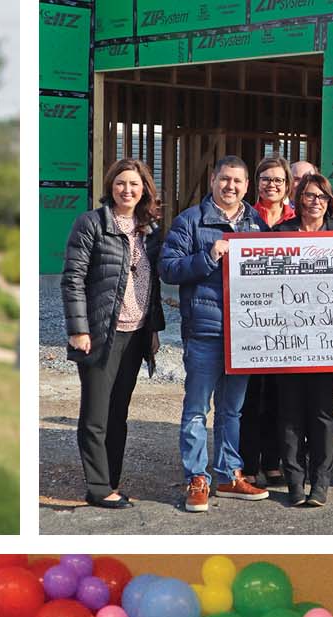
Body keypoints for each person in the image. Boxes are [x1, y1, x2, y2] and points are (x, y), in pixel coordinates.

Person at [159, 155, 268, 512]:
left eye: (237, 181)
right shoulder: (190, 221)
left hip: (245, 335)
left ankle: (228, 474)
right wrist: (208, 257)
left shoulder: (256, 226)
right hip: (206, 331)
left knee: (231, 411)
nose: (230, 186)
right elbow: (169, 268)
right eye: (224, 179)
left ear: (247, 186)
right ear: (212, 181)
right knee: (195, 409)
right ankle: (197, 477)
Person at [62, 158, 166, 508]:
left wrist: (152, 329)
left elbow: (153, 285)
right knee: (95, 413)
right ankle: (96, 486)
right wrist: (79, 329)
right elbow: (72, 279)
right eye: (121, 183)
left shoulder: (149, 230)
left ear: (144, 190)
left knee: (118, 412)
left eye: (134, 184)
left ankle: (111, 480)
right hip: (100, 334)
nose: (127, 190)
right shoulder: (91, 224)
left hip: (136, 335)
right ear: (111, 186)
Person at [273, 173, 333, 507]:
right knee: (289, 414)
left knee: (321, 412)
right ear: (298, 199)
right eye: (309, 196)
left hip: (327, 341)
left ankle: (321, 482)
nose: (315, 202)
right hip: (286, 341)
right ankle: (294, 482)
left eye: (322, 197)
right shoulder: (279, 235)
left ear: (330, 203)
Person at [241, 156, 296, 488]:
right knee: (250, 396)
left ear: (288, 185)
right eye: (265, 179)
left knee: (279, 394)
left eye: (278, 180)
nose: (271, 184)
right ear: (256, 183)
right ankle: (249, 461)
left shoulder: (296, 220)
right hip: (251, 319)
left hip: (288, 322)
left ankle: (273, 461)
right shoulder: (245, 219)